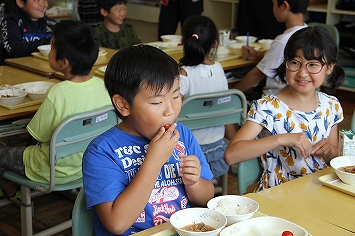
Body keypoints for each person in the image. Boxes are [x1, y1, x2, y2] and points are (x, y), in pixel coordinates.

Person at [82, 44, 215, 236]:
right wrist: (153, 161)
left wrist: (194, 183)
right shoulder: (103, 151)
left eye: (176, 96)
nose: (170, 110)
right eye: (157, 102)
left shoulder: (183, 135)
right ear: (123, 105)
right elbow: (116, 224)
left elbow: (206, 198)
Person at [0, 20, 112, 204]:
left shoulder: (57, 93)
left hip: (51, 170)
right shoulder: (103, 86)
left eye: (52, 48)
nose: (50, 51)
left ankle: (13, 193)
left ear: (64, 62)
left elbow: (37, 135)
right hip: (88, 165)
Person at [224, 26, 345, 192]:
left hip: (320, 192)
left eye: (313, 65)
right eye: (295, 63)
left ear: (329, 67)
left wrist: (330, 151)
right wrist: (281, 139)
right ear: (285, 62)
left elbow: (336, 157)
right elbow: (231, 155)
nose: (302, 73)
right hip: (279, 195)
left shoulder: (331, 105)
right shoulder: (268, 107)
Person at [179, 15, 231, 179]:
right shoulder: (219, 68)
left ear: (183, 41)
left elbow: (172, 110)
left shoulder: (184, 74)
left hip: (189, 150)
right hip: (217, 144)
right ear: (215, 44)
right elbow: (225, 105)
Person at [234, 0, 309, 101]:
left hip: (272, 102)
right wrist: (258, 55)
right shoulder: (307, 32)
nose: (272, 8)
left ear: (284, 6)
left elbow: (257, 75)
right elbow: (285, 54)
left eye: (273, 4)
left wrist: (232, 93)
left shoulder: (283, 40)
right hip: (294, 100)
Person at [0, 0, 56, 65]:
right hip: (12, 69)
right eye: (36, 0)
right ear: (20, 2)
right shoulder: (11, 21)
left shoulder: (51, 23)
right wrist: (46, 41)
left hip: (42, 67)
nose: (43, 4)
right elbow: (14, 49)